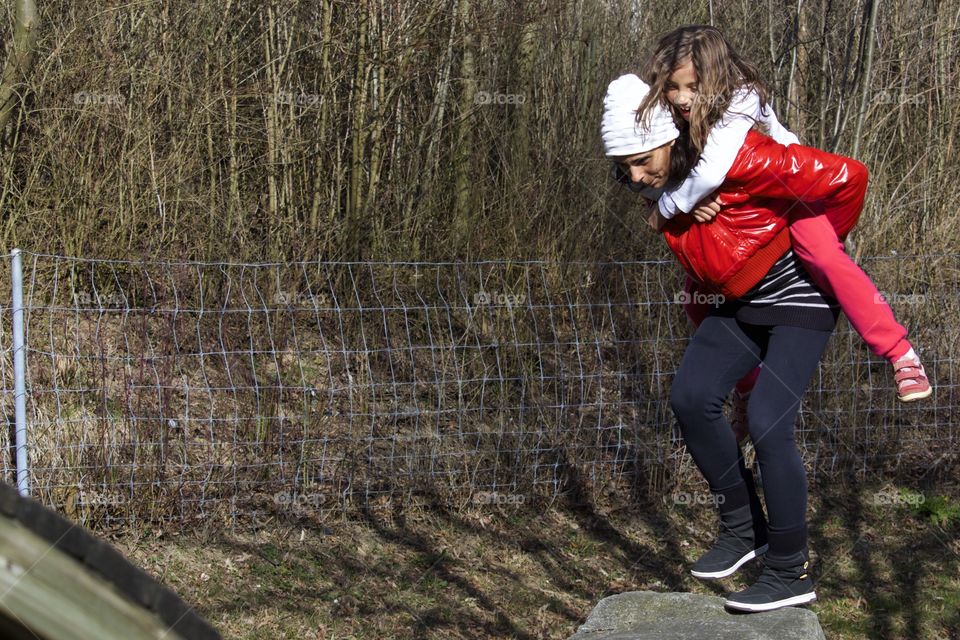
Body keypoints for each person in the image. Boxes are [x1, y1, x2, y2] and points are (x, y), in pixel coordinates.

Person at [600, 72, 869, 612]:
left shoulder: (742, 156)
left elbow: (849, 176)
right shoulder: (665, 185)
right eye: (624, 169)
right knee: (690, 398)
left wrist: (826, 241)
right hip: (737, 305)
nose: (636, 177)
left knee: (770, 422)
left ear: (671, 139)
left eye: (642, 161)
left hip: (799, 296)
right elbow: (668, 195)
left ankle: (790, 570)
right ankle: (746, 529)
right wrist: (673, 196)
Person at [636, 25, 931, 409]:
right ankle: (748, 387)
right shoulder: (679, 111)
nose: (681, 98)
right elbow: (648, 162)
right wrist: (664, 193)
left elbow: (710, 173)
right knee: (696, 296)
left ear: (715, 77)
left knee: (824, 257)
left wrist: (668, 208)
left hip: (792, 196)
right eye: (673, 88)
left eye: (692, 86)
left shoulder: (739, 100)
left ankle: (900, 352)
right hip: (751, 211)